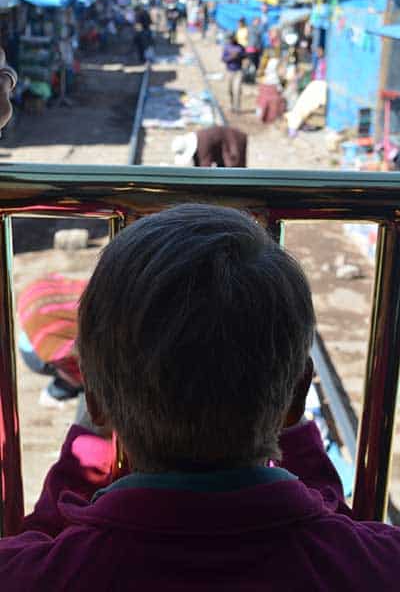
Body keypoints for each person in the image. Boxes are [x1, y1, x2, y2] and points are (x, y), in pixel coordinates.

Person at [1, 202, 400, 590]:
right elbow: (347, 537)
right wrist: (300, 445)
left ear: (95, 400)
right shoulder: (377, 565)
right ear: (296, 399)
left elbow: (37, 545)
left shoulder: (28, 574)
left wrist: (82, 456)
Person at [17, 274, 86, 404]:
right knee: (86, 380)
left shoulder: (99, 289)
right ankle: (54, 393)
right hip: (37, 352)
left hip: (31, 324)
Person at [171, 125, 247, 167]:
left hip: (234, 140)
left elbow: (205, 168)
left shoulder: (202, 144)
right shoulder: (198, 144)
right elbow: (198, 165)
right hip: (223, 146)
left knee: (233, 171)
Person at [222, 33, 245, 113]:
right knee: (230, 90)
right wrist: (231, 57)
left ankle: (237, 107)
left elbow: (245, 56)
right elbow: (223, 59)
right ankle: (231, 106)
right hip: (229, 71)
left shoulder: (240, 47)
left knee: (237, 89)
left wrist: (239, 56)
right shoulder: (227, 47)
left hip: (238, 71)